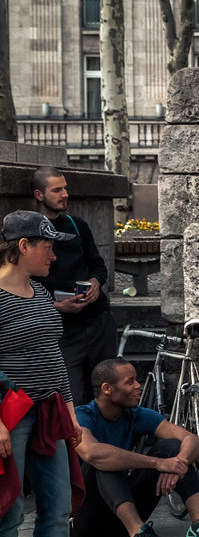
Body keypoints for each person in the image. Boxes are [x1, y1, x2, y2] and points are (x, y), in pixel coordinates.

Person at [0, 211, 92, 537]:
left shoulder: (39, 293)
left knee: (56, 507)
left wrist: (72, 414)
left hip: (50, 410)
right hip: (11, 415)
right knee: (9, 507)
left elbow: (54, 359)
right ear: (23, 247)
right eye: (48, 245)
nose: (54, 255)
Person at [71, 359, 199, 537]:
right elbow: (92, 452)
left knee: (172, 447)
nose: (138, 386)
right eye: (130, 382)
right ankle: (139, 535)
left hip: (122, 513)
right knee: (105, 461)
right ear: (107, 389)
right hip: (85, 522)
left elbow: (192, 439)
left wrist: (176, 464)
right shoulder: (81, 415)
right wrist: (158, 464)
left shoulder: (136, 414)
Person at [30, 166, 117, 404]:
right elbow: (22, 287)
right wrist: (57, 306)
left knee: (110, 396)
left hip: (98, 321)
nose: (65, 194)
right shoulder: (27, 232)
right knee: (73, 400)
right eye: (57, 190)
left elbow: (98, 265)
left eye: (65, 188)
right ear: (39, 195)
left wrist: (95, 282)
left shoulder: (77, 225)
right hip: (64, 332)